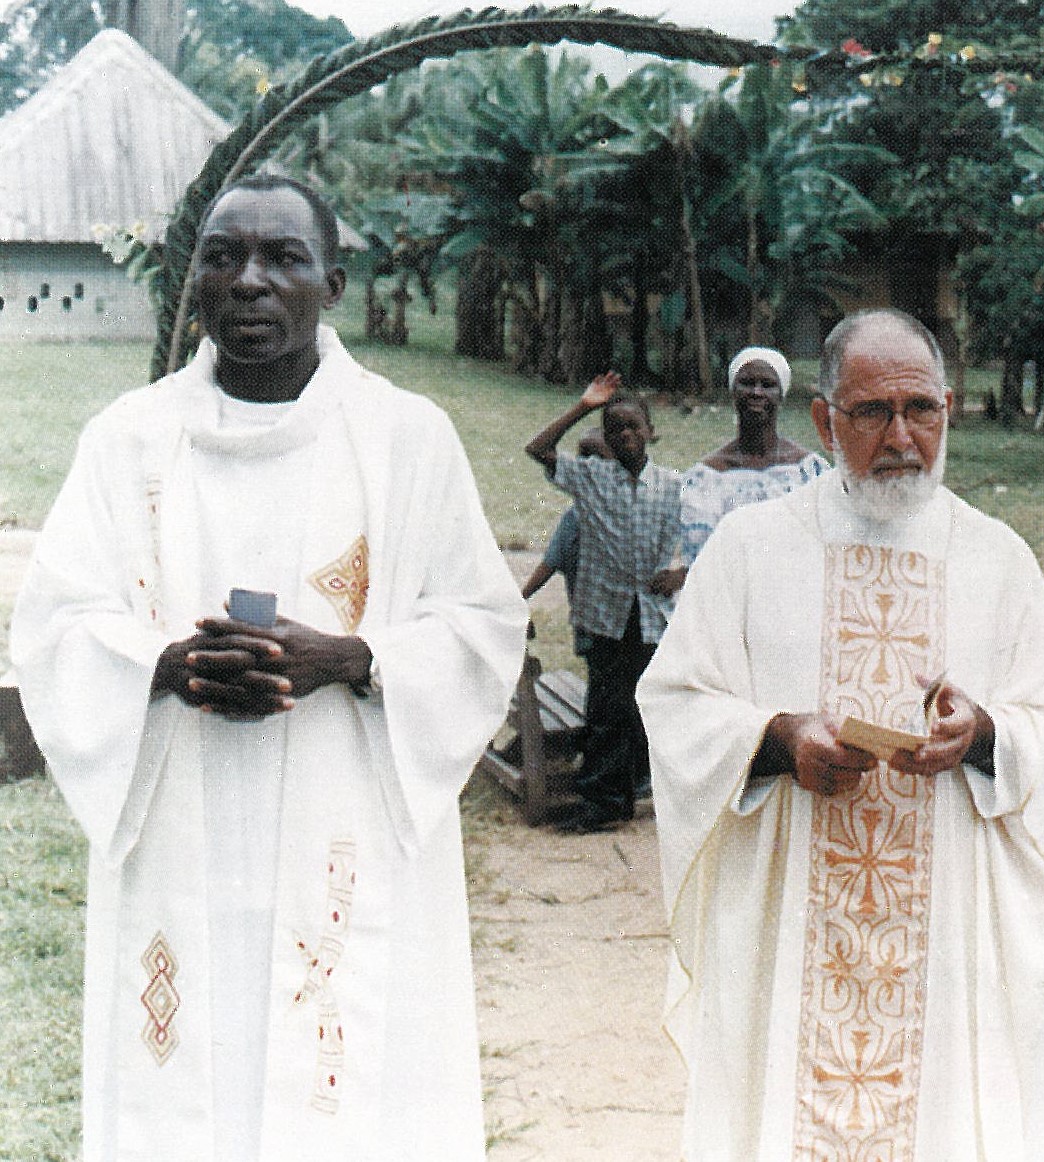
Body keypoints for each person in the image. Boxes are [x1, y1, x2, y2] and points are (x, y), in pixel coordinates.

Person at [11, 175, 525, 1158]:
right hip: (180, 820)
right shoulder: (127, 439)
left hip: (347, 818)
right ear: (193, 278)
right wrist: (162, 663)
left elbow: (480, 623)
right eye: (222, 255)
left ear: (332, 282)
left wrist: (352, 655)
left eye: (282, 258)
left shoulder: (405, 438)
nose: (249, 281)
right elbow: (56, 626)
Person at [636, 308, 1044, 1159]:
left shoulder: (995, 557)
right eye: (871, 413)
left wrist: (985, 732)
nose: (901, 437)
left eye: (921, 409)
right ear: (823, 419)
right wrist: (777, 738)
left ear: (948, 409)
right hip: (790, 903)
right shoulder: (750, 546)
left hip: (948, 917)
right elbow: (674, 700)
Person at [526, 373, 682, 833]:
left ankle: (637, 786)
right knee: (605, 710)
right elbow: (538, 449)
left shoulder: (673, 485)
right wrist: (584, 406)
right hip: (605, 616)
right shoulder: (592, 479)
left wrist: (681, 575)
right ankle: (602, 803)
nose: (625, 435)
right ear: (606, 438)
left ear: (651, 431)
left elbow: (708, 539)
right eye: (615, 428)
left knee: (645, 707)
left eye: (634, 426)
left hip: (652, 616)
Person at [678, 346, 827, 564]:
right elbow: (699, 556)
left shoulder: (811, 472)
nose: (756, 392)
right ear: (733, 391)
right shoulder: (705, 479)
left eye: (767, 385)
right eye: (747, 383)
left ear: (781, 394)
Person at [521, 427, 609, 659]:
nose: (588, 467)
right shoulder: (576, 518)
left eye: (598, 458)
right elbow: (550, 563)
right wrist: (519, 600)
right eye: (584, 457)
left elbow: (549, 564)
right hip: (595, 627)